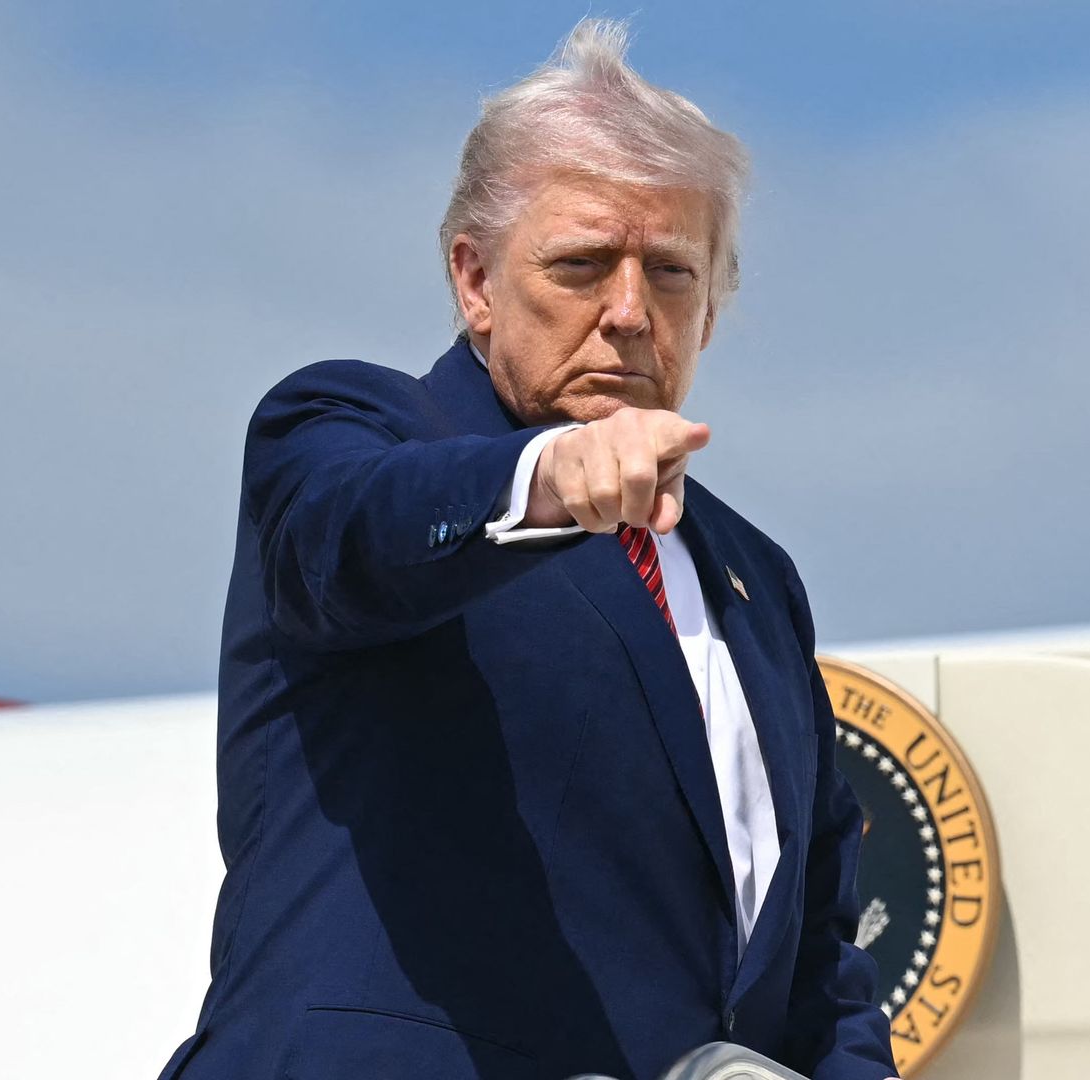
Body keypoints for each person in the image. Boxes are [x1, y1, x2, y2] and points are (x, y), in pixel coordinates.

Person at [158, 19, 898, 1080]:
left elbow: (819, 951)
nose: (630, 314)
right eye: (583, 264)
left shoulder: (756, 583)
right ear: (475, 280)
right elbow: (349, 539)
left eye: (673, 273)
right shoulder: (356, 431)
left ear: (715, 306)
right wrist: (543, 479)